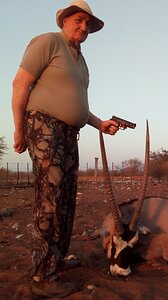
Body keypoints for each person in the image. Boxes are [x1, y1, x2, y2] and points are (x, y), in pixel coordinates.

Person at [11, 1, 119, 297]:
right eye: (79, 20)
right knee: (50, 197)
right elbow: (20, 83)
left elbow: (78, 106)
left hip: (71, 132)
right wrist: (19, 129)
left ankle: (54, 260)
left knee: (68, 198)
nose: (83, 28)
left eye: (88, 25)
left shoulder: (81, 62)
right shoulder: (48, 42)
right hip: (44, 125)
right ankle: (41, 276)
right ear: (65, 20)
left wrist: (100, 123)